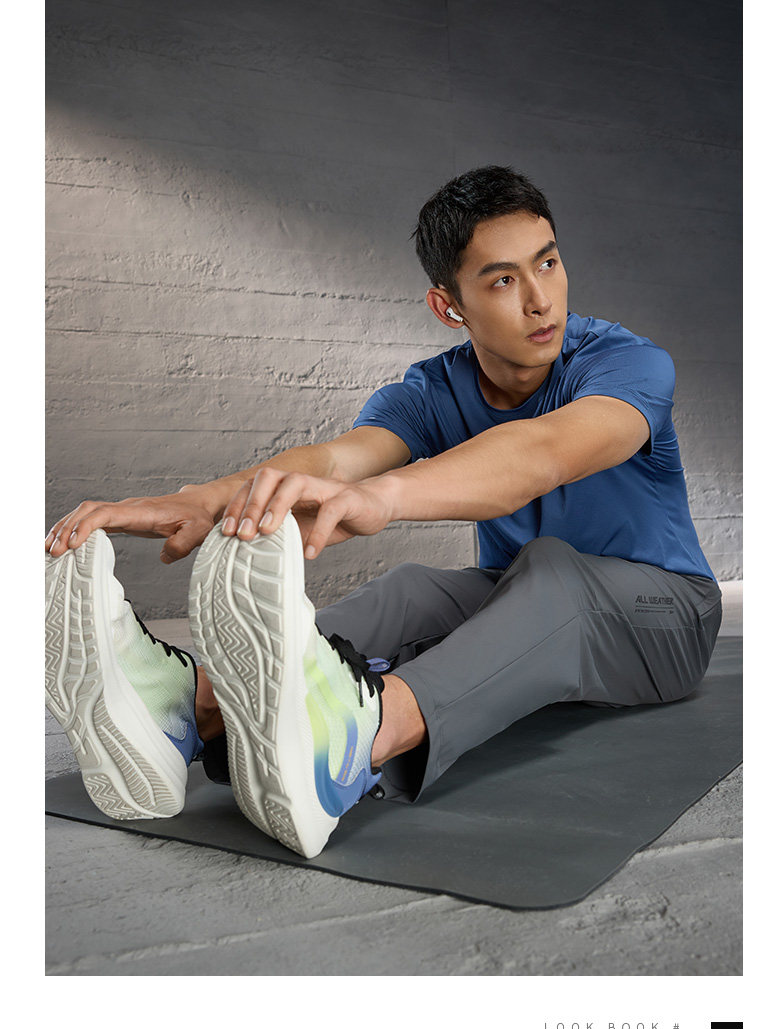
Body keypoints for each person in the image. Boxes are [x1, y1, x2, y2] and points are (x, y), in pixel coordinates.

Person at [45, 165, 722, 858]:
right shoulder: (435, 388)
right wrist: (199, 500)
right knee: (412, 587)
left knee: (552, 571)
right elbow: (339, 459)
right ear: (448, 306)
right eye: (502, 280)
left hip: (669, 620)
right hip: (527, 597)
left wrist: (386, 496)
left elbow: (542, 453)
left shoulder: (628, 364)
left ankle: (353, 744)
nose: (540, 299)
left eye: (547, 263)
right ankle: (188, 711)